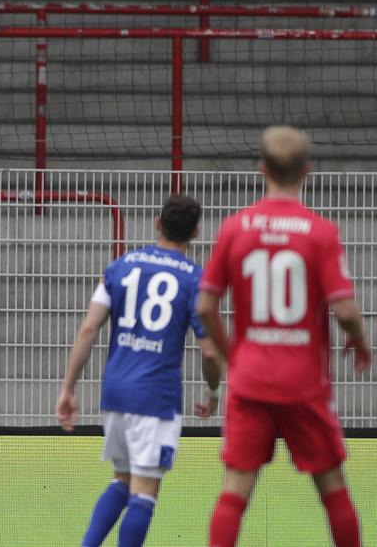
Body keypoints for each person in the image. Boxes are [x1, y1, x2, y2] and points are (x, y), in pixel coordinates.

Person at [199, 126, 371, 547]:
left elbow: (205, 305)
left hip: (250, 378)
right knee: (332, 489)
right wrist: (360, 339)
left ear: (262, 169)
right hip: (303, 383)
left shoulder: (236, 227)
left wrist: (233, 354)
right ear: (306, 172)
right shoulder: (320, 232)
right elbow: (345, 310)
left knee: (234, 491)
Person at [57, 195, 222, 547]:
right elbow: (209, 350)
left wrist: (68, 387)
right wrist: (213, 392)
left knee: (123, 479)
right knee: (145, 489)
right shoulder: (196, 279)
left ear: (157, 224)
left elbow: (89, 329)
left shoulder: (121, 266)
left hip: (116, 391)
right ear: (196, 232)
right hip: (156, 397)